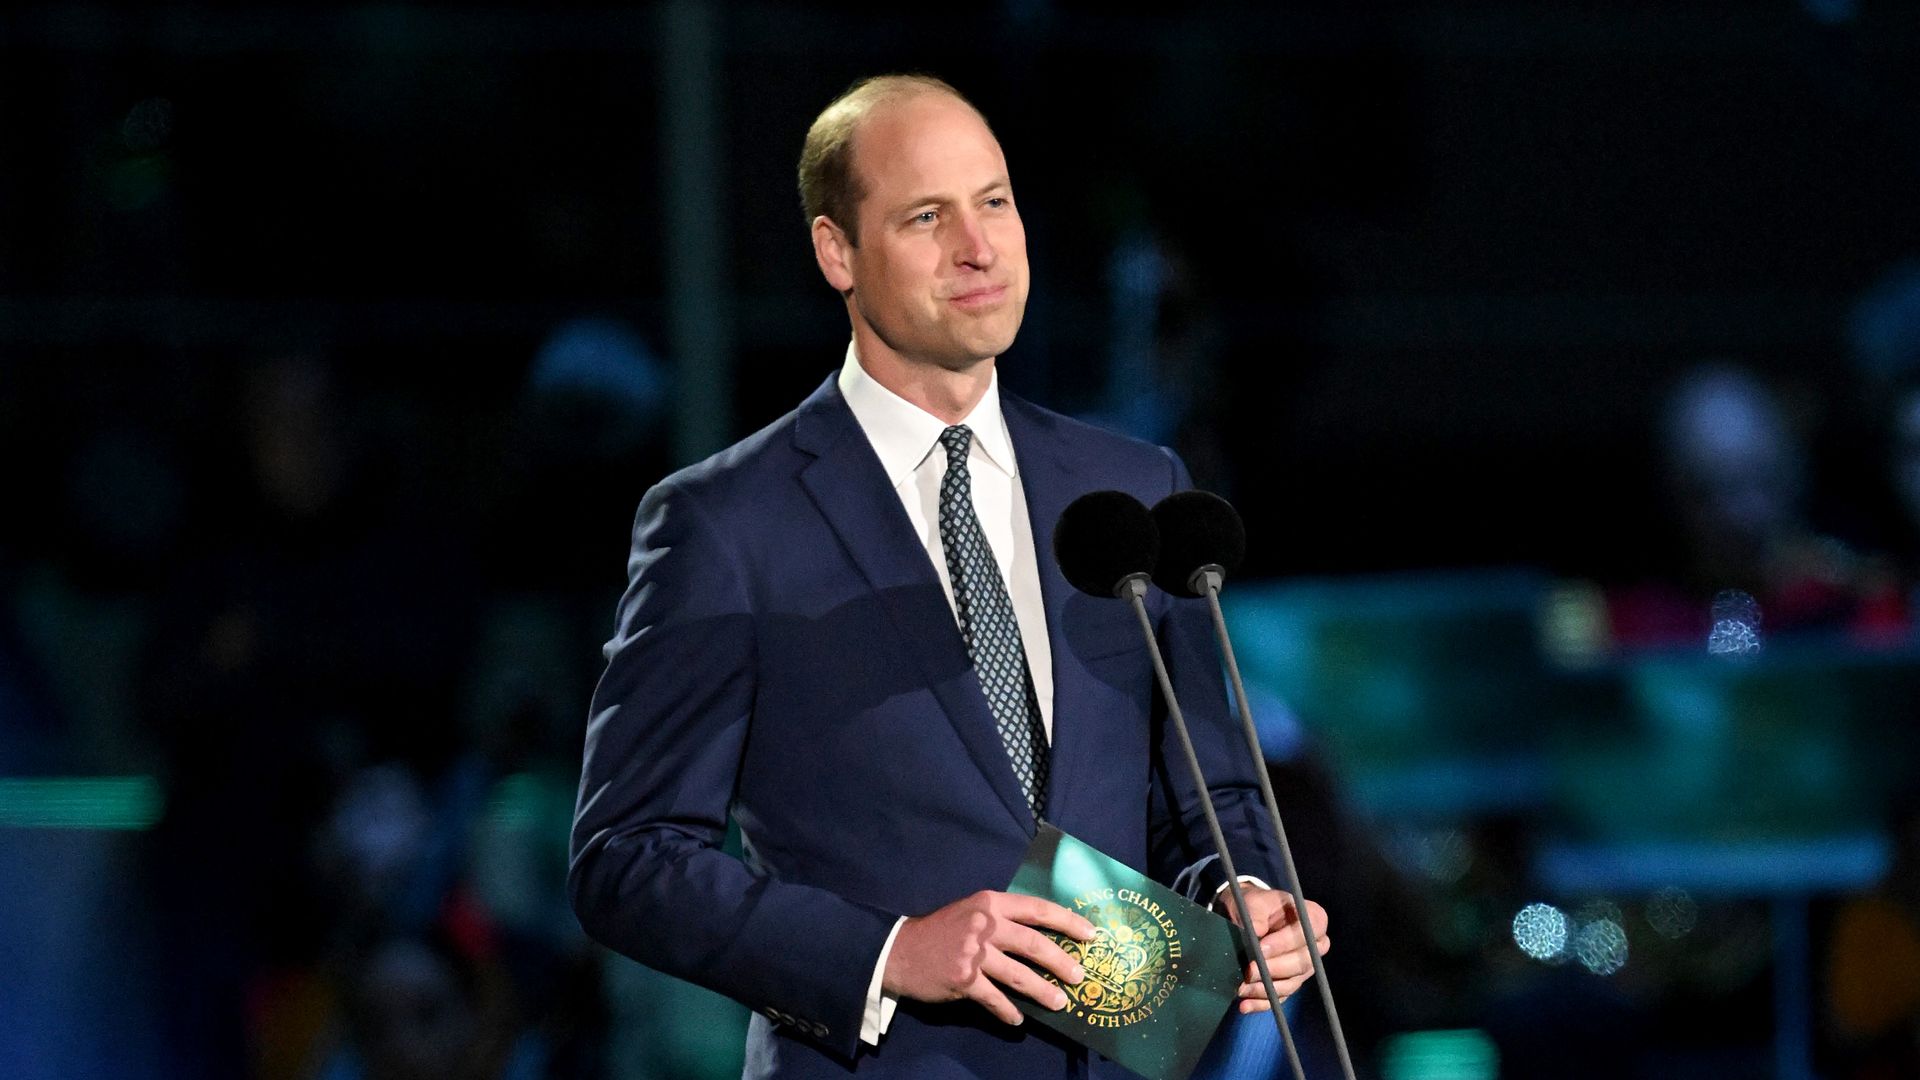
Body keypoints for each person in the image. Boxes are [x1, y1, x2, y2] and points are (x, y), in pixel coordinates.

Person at [569, 74, 1328, 1078]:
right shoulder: (726, 523)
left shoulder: (1133, 490)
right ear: (837, 251)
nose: (979, 248)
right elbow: (626, 856)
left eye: (996, 202)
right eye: (928, 216)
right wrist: (887, 953)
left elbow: (1211, 797)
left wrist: (1253, 894)